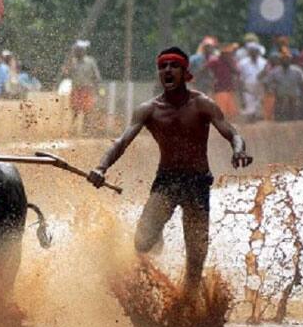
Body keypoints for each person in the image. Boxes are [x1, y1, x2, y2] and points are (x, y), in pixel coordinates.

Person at [87, 47, 253, 308]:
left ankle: (188, 306)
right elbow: (121, 142)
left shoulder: (202, 104)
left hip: (197, 184)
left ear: (185, 73)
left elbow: (232, 133)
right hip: (167, 181)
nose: (167, 70)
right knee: (142, 243)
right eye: (163, 66)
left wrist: (239, 150)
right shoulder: (149, 110)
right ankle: (154, 267)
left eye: (173, 66)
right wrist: (101, 167)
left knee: (196, 256)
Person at [62, 39, 101, 134]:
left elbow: (97, 77)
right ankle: (72, 130)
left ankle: (85, 131)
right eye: (77, 50)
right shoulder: (72, 62)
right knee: (75, 110)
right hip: (76, 89)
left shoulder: (90, 61)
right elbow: (65, 73)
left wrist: (98, 89)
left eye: (80, 50)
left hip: (87, 89)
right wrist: (69, 58)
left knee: (87, 110)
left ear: (83, 51)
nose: (78, 52)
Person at [264, 49, 303, 121]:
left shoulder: (296, 70)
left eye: (287, 59)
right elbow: (267, 81)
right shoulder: (275, 71)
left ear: (290, 60)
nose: (285, 61)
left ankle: (293, 121)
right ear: (280, 61)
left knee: (293, 108)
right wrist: (269, 90)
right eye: (283, 59)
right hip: (280, 93)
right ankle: (279, 121)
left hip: (293, 93)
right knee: (279, 108)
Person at [206, 43, 240, 118]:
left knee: (231, 112)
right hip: (220, 89)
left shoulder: (231, 62)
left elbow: (237, 72)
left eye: (230, 54)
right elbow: (205, 69)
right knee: (221, 111)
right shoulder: (215, 61)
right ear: (222, 54)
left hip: (229, 88)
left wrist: (231, 65)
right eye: (227, 54)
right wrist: (210, 79)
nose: (229, 55)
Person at [238, 42, 267, 121]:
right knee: (249, 101)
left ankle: (257, 118)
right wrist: (241, 87)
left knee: (259, 102)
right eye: (251, 51)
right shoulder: (243, 63)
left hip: (260, 85)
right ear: (249, 52)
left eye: (255, 51)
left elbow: (266, 74)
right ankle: (251, 118)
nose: (253, 53)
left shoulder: (264, 62)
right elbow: (241, 77)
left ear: (258, 51)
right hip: (248, 85)